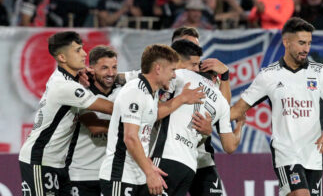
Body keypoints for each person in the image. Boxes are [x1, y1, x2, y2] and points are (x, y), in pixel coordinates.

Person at [230, 17, 323, 196]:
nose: (306, 48)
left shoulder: (319, 72)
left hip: (313, 155)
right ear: (286, 42)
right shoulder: (269, 76)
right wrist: (211, 115)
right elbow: (237, 110)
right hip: (286, 152)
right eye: (301, 43)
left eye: (308, 43)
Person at [98, 44, 203, 196]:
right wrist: (150, 172)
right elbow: (130, 138)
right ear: (158, 68)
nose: (174, 75)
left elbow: (154, 114)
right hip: (120, 175)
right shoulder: (135, 91)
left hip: (137, 175)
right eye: (172, 70)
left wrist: (182, 98)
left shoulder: (150, 93)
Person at [18, 31, 114, 195]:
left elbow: (93, 124)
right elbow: (111, 108)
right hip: (40, 160)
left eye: (82, 48)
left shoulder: (70, 82)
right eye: (77, 50)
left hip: (58, 164)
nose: (84, 54)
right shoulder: (65, 86)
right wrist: (140, 111)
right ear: (62, 58)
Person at [150, 40, 244, 196]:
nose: (195, 68)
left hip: (167, 156)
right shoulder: (221, 101)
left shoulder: (180, 76)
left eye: (197, 65)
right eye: (194, 64)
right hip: (190, 165)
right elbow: (230, 146)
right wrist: (240, 125)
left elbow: (153, 112)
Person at [68, 45, 121, 196]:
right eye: (104, 68)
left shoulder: (122, 92)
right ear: (91, 69)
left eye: (114, 67)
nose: (111, 73)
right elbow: (95, 127)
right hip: (81, 174)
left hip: (110, 174)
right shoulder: (81, 93)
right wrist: (130, 124)